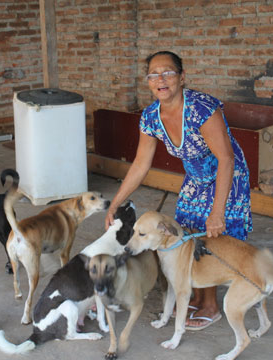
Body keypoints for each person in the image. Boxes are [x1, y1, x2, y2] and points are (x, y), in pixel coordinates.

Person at [104, 50, 252, 330]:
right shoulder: (150, 117)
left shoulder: (201, 109)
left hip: (227, 175)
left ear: (182, 77)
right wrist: (115, 204)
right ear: (148, 81)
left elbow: (226, 158)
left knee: (213, 234)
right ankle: (194, 295)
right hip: (196, 177)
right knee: (185, 230)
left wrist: (218, 211)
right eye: (154, 75)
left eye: (168, 73)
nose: (161, 79)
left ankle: (210, 304)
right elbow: (140, 164)